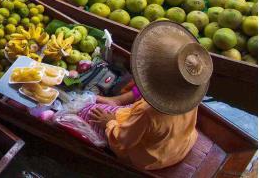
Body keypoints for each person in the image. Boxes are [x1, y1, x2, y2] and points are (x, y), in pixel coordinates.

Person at [79, 21, 213, 170]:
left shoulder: (146, 112)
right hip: (181, 144)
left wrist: (109, 123)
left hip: (150, 157)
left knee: (86, 112)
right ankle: (116, 103)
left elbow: (123, 140)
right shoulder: (188, 96)